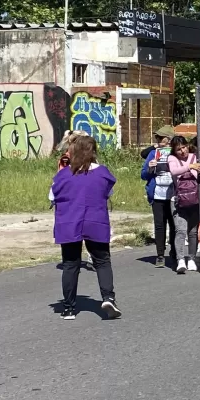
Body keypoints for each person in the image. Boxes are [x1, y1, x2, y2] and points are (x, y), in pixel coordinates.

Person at [50, 135, 121, 320]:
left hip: (69, 222)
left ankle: (68, 308)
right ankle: (108, 298)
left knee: (70, 264)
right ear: (93, 151)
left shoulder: (63, 174)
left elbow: (52, 197)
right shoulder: (103, 172)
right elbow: (108, 192)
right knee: (102, 261)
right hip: (95, 220)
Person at [141, 126, 177, 268]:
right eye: (157, 138)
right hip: (157, 194)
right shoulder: (152, 154)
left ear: (169, 140)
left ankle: (174, 251)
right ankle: (160, 255)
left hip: (174, 194)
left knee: (174, 225)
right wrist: (150, 168)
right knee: (159, 225)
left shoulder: (176, 153)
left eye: (161, 138)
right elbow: (143, 175)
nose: (158, 141)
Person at [168, 136, 200, 274]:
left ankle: (191, 259)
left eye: (184, 147)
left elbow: (198, 175)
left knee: (193, 232)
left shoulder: (195, 156)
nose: (182, 151)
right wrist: (190, 166)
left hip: (195, 200)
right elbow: (174, 171)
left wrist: (195, 166)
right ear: (174, 151)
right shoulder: (172, 159)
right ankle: (180, 260)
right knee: (180, 230)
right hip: (178, 200)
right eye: (178, 149)